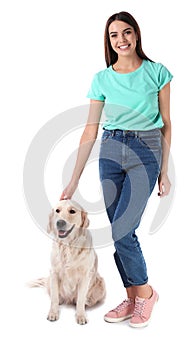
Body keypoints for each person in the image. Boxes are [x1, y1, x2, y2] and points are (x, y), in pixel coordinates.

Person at [60, 11, 173, 328]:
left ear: (136, 35)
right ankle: (132, 296)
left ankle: (147, 294)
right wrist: (73, 181)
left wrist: (164, 172)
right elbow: (89, 130)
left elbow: (166, 125)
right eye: (114, 35)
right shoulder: (102, 78)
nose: (121, 39)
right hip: (110, 150)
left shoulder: (157, 72)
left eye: (126, 32)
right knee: (118, 231)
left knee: (123, 230)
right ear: (108, 41)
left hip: (146, 150)